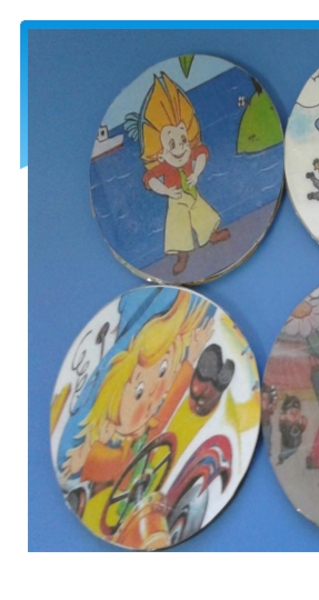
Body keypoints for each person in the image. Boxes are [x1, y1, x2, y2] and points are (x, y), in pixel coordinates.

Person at [60, 292, 215, 491]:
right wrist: (91, 450)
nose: (153, 395)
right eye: (139, 392)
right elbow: (105, 469)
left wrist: (190, 358)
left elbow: (166, 410)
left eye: (163, 370)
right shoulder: (117, 452)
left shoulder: (145, 432)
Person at [139, 72, 230, 276]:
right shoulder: (164, 165)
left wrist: (196, 173)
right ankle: (182, 256)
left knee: (203, 214)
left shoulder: (190, 153)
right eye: (172, 144)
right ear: (160, 153)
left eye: (183, 139)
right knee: (178, 227)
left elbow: (202, 154)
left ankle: (211, 235)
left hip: (192, 191)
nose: (180, 147)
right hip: (177, 198)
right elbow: (150, 179)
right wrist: (166, 191)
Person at [277, 396, 308, 464]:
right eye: (291, 413)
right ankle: (281, 459)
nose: (294, 415)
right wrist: (282, 421)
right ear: (285, 415)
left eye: (297, 412)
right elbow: (282, 429)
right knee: (285, 456)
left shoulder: (297, 425)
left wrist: (304, 425)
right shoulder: (286, 425)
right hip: (287, 447)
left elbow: (300, 431)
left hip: (297, 446)